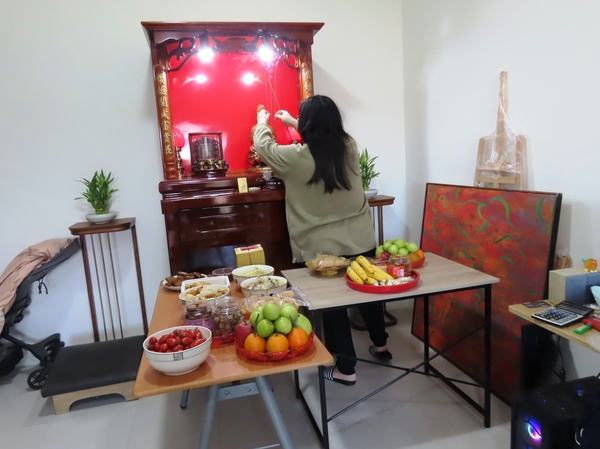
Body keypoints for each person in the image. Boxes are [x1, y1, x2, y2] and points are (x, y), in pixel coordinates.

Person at [253, 94, 391, 386]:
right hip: (360, 239)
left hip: (321, 249)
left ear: (307, 125)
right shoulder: (349, 147)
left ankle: (346, 370)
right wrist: (294, 122)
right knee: (369, 292)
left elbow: (264, 147)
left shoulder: (293, 158)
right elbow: (323, 139)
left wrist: (262, 122)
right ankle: (381, 346)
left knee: (333, 307)